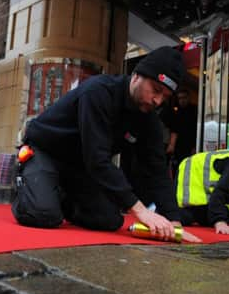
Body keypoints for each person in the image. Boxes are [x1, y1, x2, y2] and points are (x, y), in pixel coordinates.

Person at [12, 46, 200, 242]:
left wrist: (174, 223)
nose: (157, 100)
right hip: (46, 152)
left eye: (165, 97)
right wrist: (141, 211)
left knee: (109, 221)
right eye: (156, 90)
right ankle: (28, 185)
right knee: (42, 214)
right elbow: (97, 159)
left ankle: (58, 196)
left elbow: (157, 170)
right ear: (136, 76)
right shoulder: (98, 92)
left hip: (79, 167)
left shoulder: (148, 118)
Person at [164, 89, 197, 176]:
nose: (181, 100)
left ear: (188, 98)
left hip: (190, 145)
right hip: (178, 146)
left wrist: (195, 146)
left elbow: (195, 130)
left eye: (184, 98)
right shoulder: (175, 111)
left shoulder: (194, 111)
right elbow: (173, 129)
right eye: (179, 98)